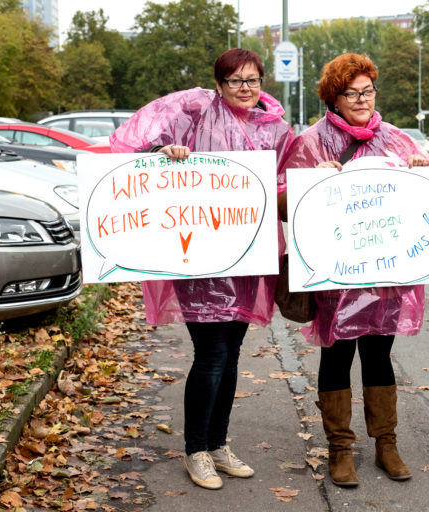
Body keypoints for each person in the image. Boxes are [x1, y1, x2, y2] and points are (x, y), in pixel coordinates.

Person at [110, 48, 293, 490]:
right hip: (198, 255)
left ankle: (217, 444)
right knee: (211, 354)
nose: (245, 88)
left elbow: (287, 183)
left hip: (247, 256)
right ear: (219, 84)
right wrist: (162, 151)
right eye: (235, 81)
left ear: (263, 81)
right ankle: (196, 451)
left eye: (252, 80)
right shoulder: (192, 114)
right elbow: (132, 148)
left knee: (230, 354)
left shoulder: (277, 130)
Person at [277, 53, 429, 487]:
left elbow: (426, 201)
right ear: (334, 97)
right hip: (336, 273)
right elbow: (282, 200)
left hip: (385, 273)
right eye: (352, 93)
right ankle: (339, 449)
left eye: (368, 91)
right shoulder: (311, 142)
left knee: (380, 355)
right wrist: (312, 183)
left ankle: (387, 444)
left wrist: (424, 171)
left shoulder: (399, 140)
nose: (362, 99)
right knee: (337, 353)